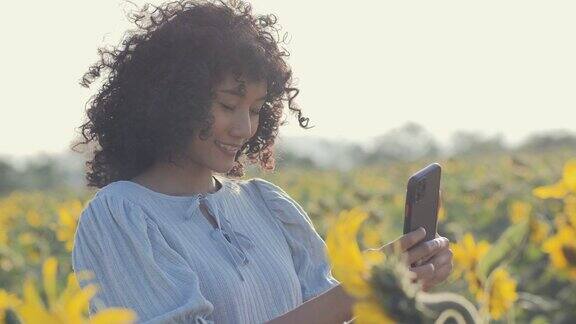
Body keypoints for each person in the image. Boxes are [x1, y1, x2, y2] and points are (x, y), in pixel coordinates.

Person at [70, 1, 453, 323]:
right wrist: (358, 287)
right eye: (228, 105)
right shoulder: (122, 215)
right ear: (173, 100)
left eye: (255, 109)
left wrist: (390, 287)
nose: (244, 127)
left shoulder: (266, 205)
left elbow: (328, 312)